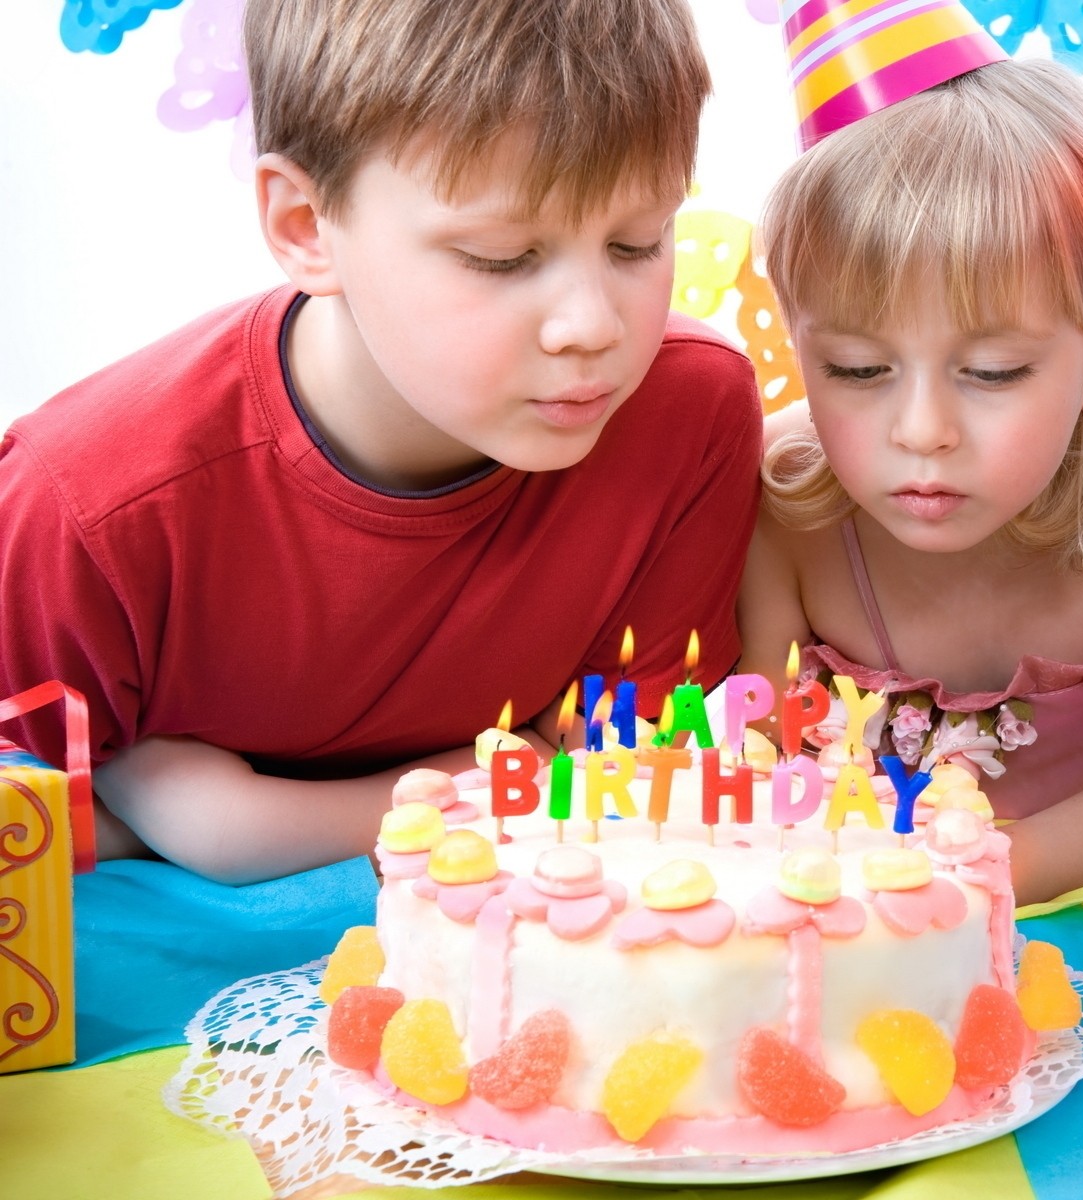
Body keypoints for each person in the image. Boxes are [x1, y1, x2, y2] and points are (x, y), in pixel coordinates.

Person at [0, 0, 761, 883]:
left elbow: (607, 790)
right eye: (502, 256)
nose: (592, 326)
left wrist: (234, 827)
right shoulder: (87, 506)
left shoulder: (688, 414)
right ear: (305, 227)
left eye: (637, 242)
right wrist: (490, 771)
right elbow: (24, 839)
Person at [739, 12, 1083, 904]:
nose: (922, 429)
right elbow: (750, 777)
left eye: (993, 372)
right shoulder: (782, 494)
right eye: (856, 368)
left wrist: (962, 876)